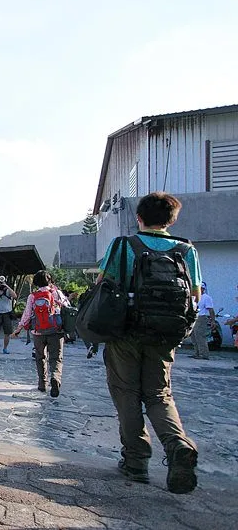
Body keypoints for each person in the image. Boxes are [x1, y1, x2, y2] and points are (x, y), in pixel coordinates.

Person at [97, 191, 200, 494]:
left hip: (125, 334)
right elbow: (193, 296)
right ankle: (178, 444)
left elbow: (103, 285)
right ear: (172, 219)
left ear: (138, 218)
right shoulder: (186, 250)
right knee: (158, 394)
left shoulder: (123, 245)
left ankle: (136, 462)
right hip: (165, 335)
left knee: (127, 394)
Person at [13, 271, 69, 396]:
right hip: (56, 330)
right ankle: (55, 378)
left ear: (36, 282)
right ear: (50, 281)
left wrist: (19, 328)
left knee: (40, 357)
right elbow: (67, 307)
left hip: (38, 332)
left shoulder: (32, 296)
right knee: (56, 358)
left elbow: (27, 314)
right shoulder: (56, 293)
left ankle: (42, 384)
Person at [190, 281, 215, 360]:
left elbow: (211, 310)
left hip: (201, 317)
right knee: (193, 336)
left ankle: (204, 354)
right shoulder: (194, 297)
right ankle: (197, 353)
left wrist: (212, 320)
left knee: (200, 336)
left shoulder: (206, 298)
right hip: (193, 317)